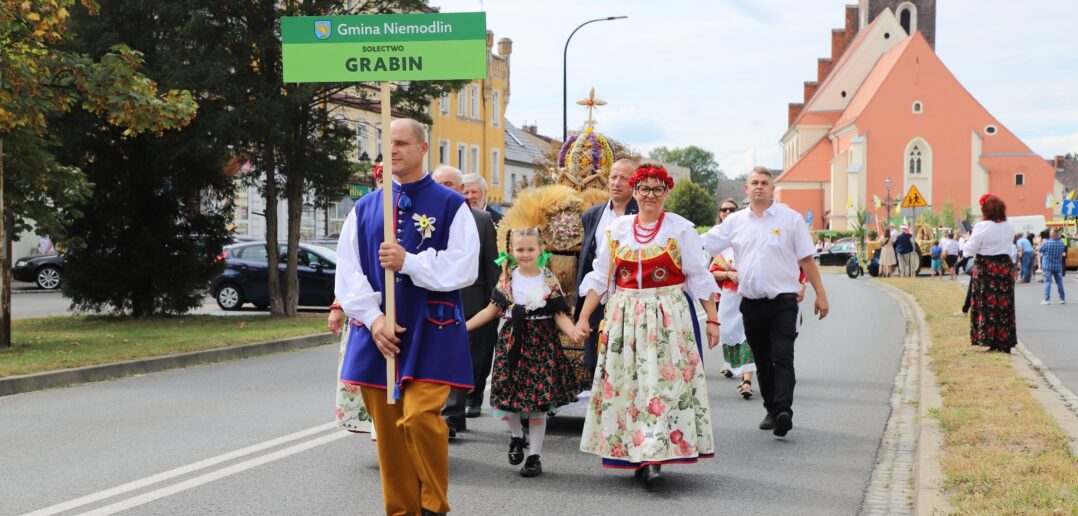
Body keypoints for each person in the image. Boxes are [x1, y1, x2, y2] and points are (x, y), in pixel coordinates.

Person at [335, 118, 480, 516]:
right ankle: (402, 511)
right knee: (388, 436)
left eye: (402, 143)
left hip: (432, 329)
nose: (393, 149)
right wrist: (374, 318)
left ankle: (434, 504)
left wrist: (409, 262)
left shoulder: (452, 205)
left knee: (419, 417)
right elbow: (347, 273)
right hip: (379, 335)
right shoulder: (365, 207)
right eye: (389, 143)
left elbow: (464, 266)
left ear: (423, 148)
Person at [576, 164, 720, 489]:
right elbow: (602, 277)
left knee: (660, 386)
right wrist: (584, 317)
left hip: (667, 317)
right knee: (630, 386)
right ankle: (636, 452)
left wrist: (712, 318)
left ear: (666, 193)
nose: (650, 195)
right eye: (644, 188)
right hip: (625, 317)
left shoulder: (680, 229)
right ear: (635, 192)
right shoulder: (618, 230)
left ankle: (654, 457)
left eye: (657, 189)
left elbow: (698, 276)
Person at [703, 166, 830, 438]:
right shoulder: (735, 222)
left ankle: (784, 410)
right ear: (746, 189)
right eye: (754, 183)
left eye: (764, 183)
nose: (759, 186)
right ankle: (772, 408)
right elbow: (704, 243)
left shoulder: (790, 219)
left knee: (782, 355)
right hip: (751, 303)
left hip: (783, 302)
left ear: (773, 189)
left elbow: (807, 259)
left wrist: (821, 294)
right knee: (762, 360)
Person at [465, 228, 585, 477]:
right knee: (504, 399)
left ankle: (534, 457)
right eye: (520, 249)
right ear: (511, 251)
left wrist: (573, 331)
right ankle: (517, 436)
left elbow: (559, 315)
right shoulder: (507, 279)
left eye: (531, 249)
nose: (526, 254)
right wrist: (463, 328)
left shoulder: (549, 279)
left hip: (542, 344)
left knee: (537, 406)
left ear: (540, 250)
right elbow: (490, 311)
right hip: (512, 343)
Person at [431, 166, 500, 437]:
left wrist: (495, 303)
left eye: (449, 184)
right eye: (438, 183)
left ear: (460, 189)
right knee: (438, 360)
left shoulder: (481, 219)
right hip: (432, 300)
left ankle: (452, 415)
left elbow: (491, 265)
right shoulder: (424, 217)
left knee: (462, 359)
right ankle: (446, 415)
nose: (443, 189)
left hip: (471, 301)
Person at [574, 158, 639, 386]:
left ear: (634, 183)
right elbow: (586, 261)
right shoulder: (591, 215)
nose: (617, 182)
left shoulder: (642, 213)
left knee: (626, 361)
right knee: (594, 361)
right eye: (613, 177)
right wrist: (578, 304)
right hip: (597, 297)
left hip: (629, 297)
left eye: (624, 178)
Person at [710, 198, 756, 399]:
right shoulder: (718, 242)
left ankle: (747, 381)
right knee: (728, 333)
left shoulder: (750, 237)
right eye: (724, 210)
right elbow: (711, 271)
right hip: (727, 297)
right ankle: (731, 365)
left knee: (748, 335)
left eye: (732, 209)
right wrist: (729, 274)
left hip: (750, 296)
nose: (727, 213)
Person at [963, 194, 1017, 353]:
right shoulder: (1009, 226)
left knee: (987, 304)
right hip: (1005, 266)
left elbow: (968, 251)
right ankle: (1004, 340)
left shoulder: (982, 226)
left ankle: (988, 338)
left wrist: (967, 239)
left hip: (987, 267)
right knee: (1004, 304)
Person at [1039, 227, 1066, 305]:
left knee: (1047, 282)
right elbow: (1062, 250)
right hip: (1058, 265)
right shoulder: (1061, 243)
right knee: (1059, 282)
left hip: (1047, 266)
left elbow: (1040, 250)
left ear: (1051, 234)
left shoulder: (1047, 243)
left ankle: (1046, 299)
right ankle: (1062, 299)